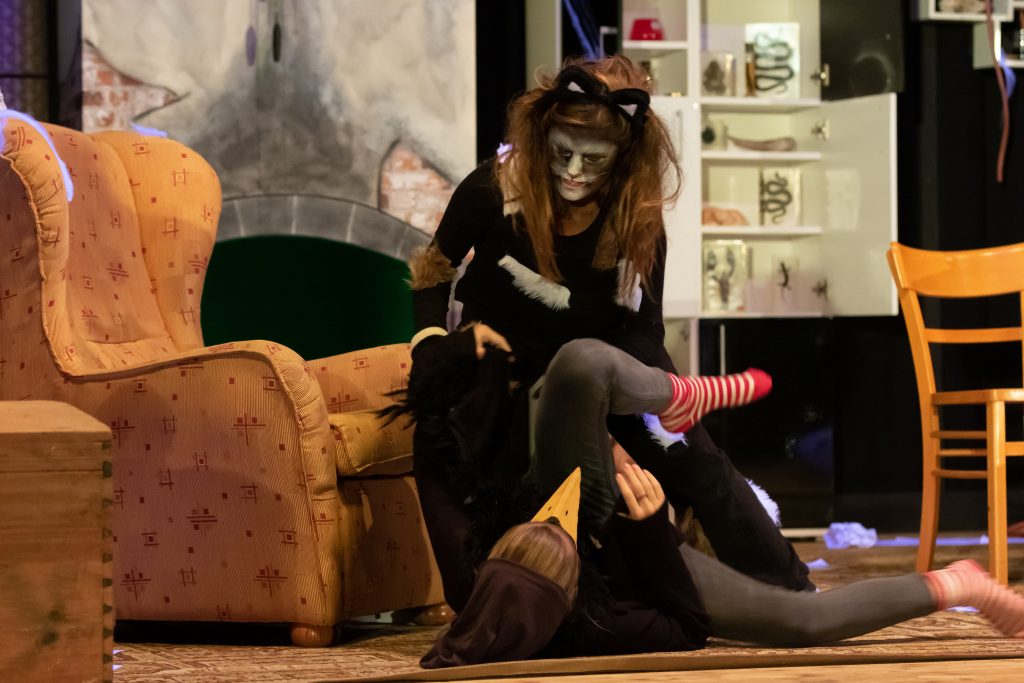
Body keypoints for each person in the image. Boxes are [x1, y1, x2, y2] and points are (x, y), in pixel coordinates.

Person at [401, 54, 807, 627]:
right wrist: (431, 346)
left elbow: (643, 326)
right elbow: (434, 269)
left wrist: (654, 406)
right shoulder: (496, 188)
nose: (572, 172)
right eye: (560, 152)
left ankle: (792, 591)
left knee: (693, 457)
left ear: (624, 157)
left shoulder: (635, 218)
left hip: (599, 372)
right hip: (504, 380)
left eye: (592, 159)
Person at [420, 464, 1024, 667]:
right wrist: (650, 529)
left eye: (545, 529)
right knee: (802, 620)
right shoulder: (602, 625)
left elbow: (436, 468)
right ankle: (959, 582)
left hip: (610, 494)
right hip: (649, 554)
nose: (559, 526)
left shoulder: (472, 573)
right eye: (559, 542)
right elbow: (688, 625)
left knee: (581, 365)